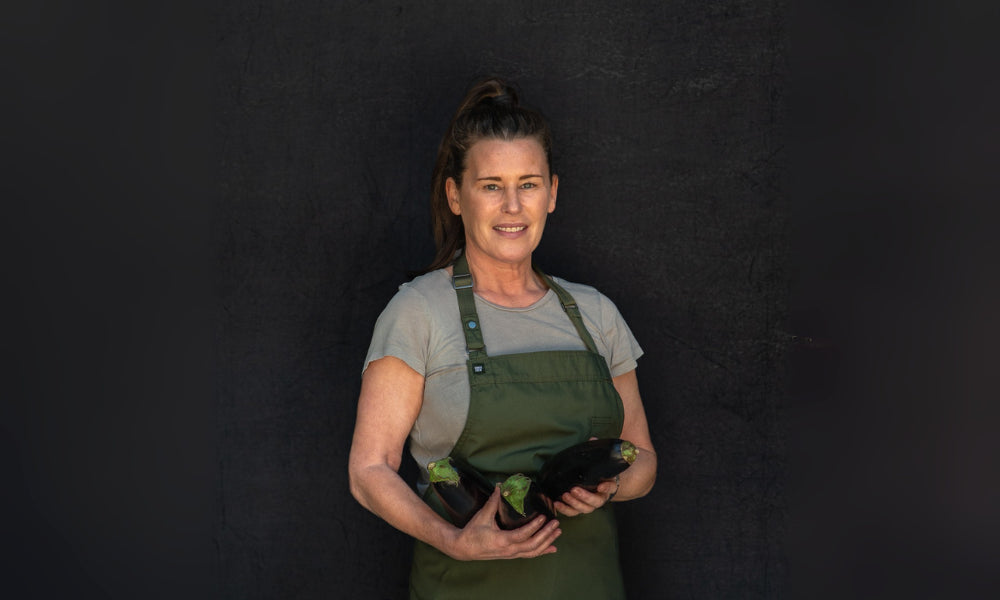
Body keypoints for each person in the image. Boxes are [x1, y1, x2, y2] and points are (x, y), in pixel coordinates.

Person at [348, 77, 657, 600]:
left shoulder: (595, 313)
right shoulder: (419, 311)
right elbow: (368, 471)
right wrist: (453, 538)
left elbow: (642, 460)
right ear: (455, 195)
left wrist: (609, 486)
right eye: (491, 185)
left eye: (528, 184)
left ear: (552, 193)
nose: (513, 206)